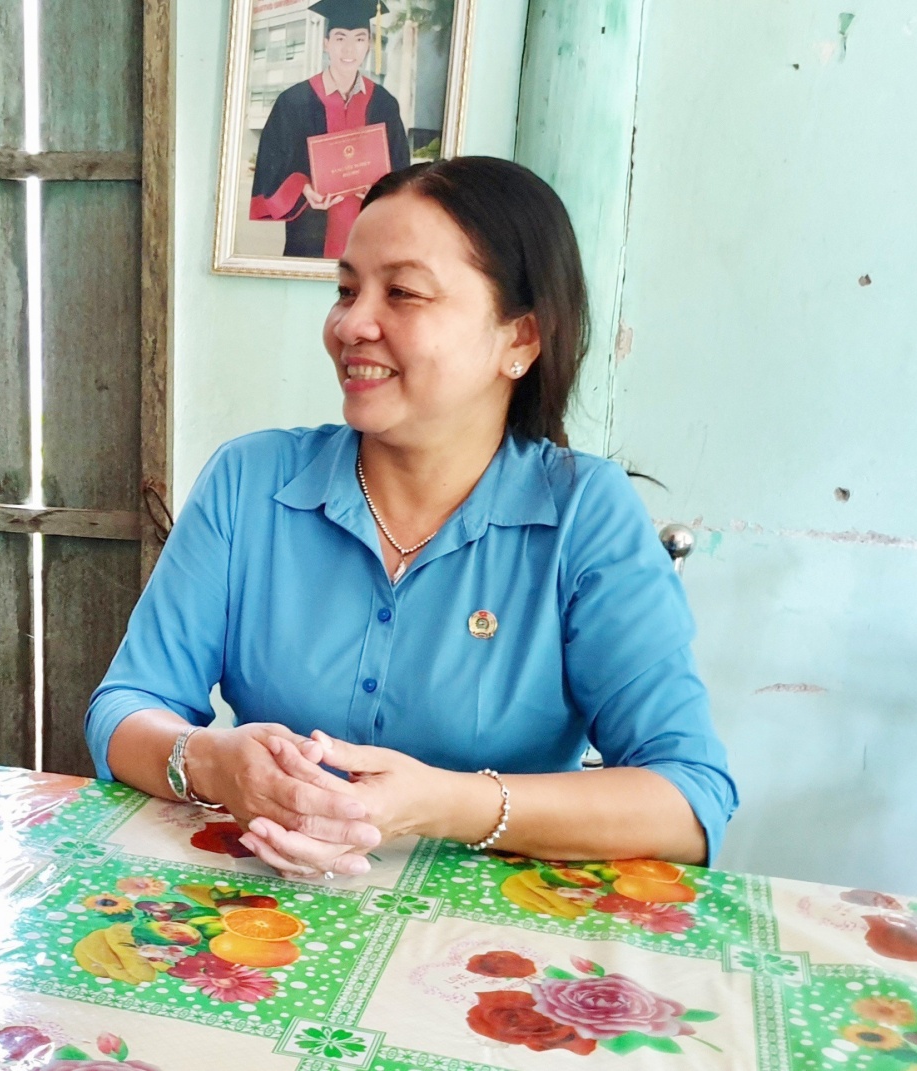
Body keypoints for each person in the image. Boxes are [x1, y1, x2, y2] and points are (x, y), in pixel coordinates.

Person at [89, 157, 736, 880]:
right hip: (265, 909)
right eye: (346, 290)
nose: (351, 323)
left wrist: (445, 804)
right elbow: (126, 707)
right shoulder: (250, 481)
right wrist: (211, 760)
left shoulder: (585, 513)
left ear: (520, 339)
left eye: (402, 292)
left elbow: (689, 798)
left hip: (491, 934)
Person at [250, 0, 413, 260]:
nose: (349, 49)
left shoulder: (384, 104)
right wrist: (304, 189)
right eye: (340, 38)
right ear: (326, 43)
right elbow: (272, 164)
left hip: (368, 236)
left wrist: (381, 190)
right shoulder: (293, 102)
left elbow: (401, 168)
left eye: (359, 39)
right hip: (310, 233)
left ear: (368, 44)